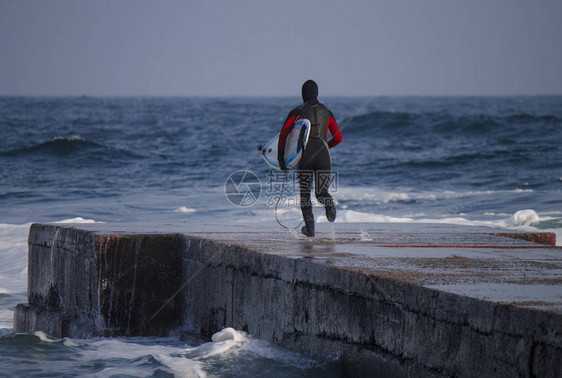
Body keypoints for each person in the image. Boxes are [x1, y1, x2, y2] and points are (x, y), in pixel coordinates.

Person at [277, 80, 342, 237]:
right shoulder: (327, 111)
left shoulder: (296, 112)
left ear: (303, 94)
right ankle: (329, 204)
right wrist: (325, 147)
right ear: (316, 93)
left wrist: (282, 159)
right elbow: (338, 137)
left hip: (304, 156)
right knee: (321, 192)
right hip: (323, 155)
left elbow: (284, 135)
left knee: (305, 194)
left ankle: (310, 230)